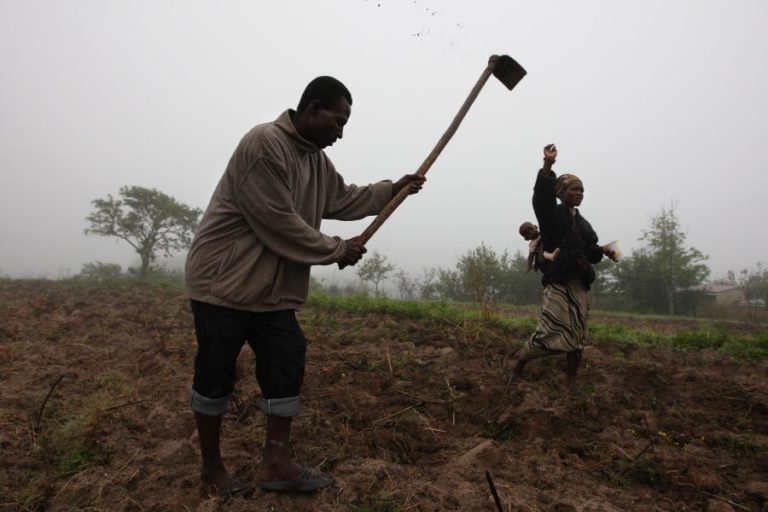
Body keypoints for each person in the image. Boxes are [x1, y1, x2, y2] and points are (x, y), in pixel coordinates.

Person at [184, 76, 426, 499]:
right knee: (215, 373)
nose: (341, 132)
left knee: (286, 359)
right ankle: (211, 469)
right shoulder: (264, 144)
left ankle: (277, 465)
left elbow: (344, 199)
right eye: (338, 120)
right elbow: (276, 219)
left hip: (272, 289)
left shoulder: (314, 159)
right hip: (224, 282)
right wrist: (336, 250)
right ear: (312, 109)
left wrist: (394, 190)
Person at [509, 143, 615, 387]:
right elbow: (541, 200)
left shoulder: (583, 223)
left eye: (582, 190)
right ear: (560, 192)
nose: (579, 194)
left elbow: (590, 250)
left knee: (577, 334)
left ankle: (570, 382)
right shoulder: (552, 216)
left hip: (579, 285)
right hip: (557, 283)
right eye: (574, 189)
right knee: (548, 329)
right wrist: (548, 164)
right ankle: (519, 365)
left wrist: (602, 251)